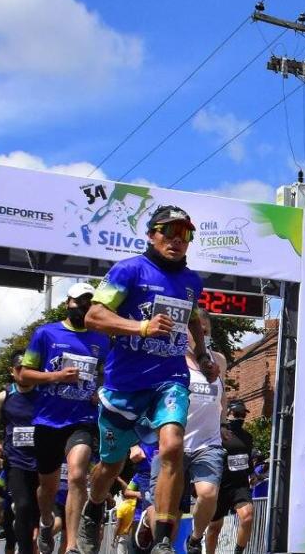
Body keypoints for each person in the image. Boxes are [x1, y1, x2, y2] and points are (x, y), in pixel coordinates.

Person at [77, 205, 213, 554]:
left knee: (171, 448)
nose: (178, 241)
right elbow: (94, 315)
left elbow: (194, 318)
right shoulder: (129, 270)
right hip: (125, 384)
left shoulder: (190, 281)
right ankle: (93, 508)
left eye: (185, 235)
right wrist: (141, 326)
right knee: (111, 464)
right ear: (152, 234)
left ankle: (165, 538)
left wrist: (202, 355)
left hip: (170, 378)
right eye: (169, 232)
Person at [19, 283, 110, 554]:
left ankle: (71, 545)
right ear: (68, 303)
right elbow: (25, 375)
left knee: (78, 474)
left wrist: (101, 391)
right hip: (47, 421)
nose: (83, 306)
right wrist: (56, 376)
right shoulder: (45, 334)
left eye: (89, 302)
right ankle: (46, 521)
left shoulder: (102, 339)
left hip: (82, 419)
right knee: (47, 487)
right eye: (79, 301)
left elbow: (110, 374)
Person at [139, 312, 227, 554]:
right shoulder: (171, 360)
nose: (203, 336)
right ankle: (150, 524)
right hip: (174, 443)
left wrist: (224, 423)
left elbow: (223, 396)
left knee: (208, 494)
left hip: (208, 442)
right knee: (171, 514)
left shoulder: (218, 359)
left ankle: (196, 539)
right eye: (199, 330)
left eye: (207, 331)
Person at [0, 351, 40, 554]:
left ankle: (37, 545)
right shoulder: (3, 397)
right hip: (16, 461)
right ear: (12, 371)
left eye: (29, 368)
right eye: (19, 368)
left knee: (40, 512)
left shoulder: (45, 393)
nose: (24, 373)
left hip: (44, 461)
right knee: (23, 506)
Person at [204, 400, 257, 554]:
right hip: (220, 486)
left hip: (240, 485)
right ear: (227, 414)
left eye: (243, 415)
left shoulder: (247, 437)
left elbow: (247, 458)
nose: (240, 417)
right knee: (214, 528)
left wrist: (252, 473)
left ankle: (238, 552)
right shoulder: (218, 434)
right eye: (237, 414)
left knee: (247, 517)